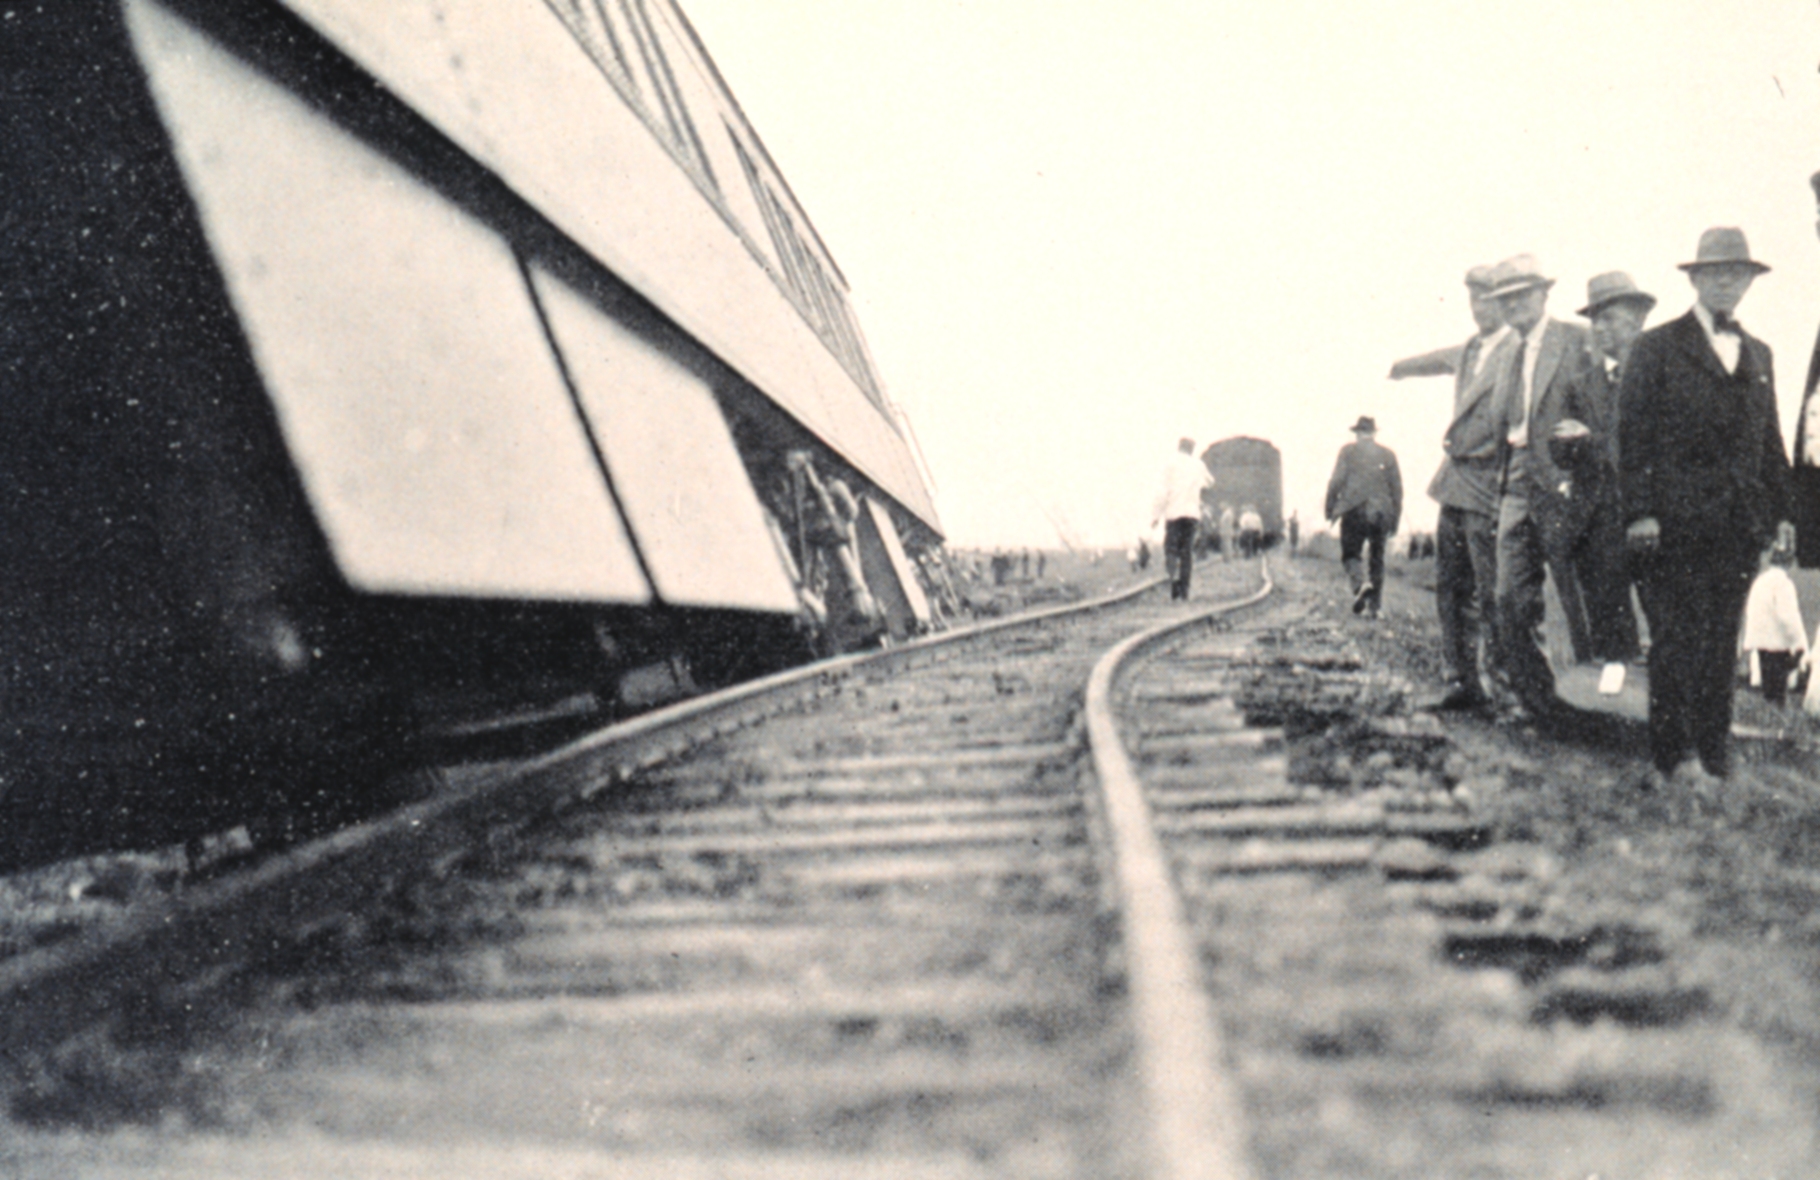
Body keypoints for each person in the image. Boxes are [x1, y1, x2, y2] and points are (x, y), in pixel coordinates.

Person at [1621, 227, 1793, 780]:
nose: (1726, 282)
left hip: (1739, 525)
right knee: (1676, 636)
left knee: (1722, 640)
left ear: (1747, 282)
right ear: (1694, 279)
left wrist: (1783, 513)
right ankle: (1675, 755)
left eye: (1736, 274)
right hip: (1672, 523)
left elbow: (1770, 444)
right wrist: (1641, 511)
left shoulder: (1760, 354)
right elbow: (1633, 436)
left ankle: (1714, 751)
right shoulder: (1656, 347)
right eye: (1715, 273)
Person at [1486, 254, 1595, 720]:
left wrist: (1582, 452)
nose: (1514, 305)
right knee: (1510, 596)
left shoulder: (1576, 340)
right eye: (1506, 298)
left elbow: (1603, 404)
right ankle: (1537, 700)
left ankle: (1594, 701)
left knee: (1577, 595)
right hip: (1515, 479)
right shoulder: (1507, 352)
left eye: (1522, 295)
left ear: (1544, 294)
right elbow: (1503, 422)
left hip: (1564, 475)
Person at [1400, 264, 1513, 710]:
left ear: (1504, 302)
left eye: (1486, 300)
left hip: (1490, 479)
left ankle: (1498, 685)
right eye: (1473, 301)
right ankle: (1460, 680)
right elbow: (1432, 360)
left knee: (1492, 589)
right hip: (1455, 479)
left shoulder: (1518, 350)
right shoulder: (1469, 349)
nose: (1478, 309)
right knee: (1450, 585)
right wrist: (1397, 368)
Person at [1549, 272, 1649, 693]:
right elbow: (1560, 450)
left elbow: (1652, 442)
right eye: (1597, 321)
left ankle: (1671, 711)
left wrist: (1590, 438)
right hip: (1598, 514)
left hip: (1651, 512)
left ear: (1637, 320)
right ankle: (1613, 702)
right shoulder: (1581, 385)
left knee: (1666, 612)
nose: (1603, 328)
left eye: (1612, 318)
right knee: (1609, 613)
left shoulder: (1657, 376)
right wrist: (1566, 443)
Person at [1324, 416, 1402, 617]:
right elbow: (1397, 491)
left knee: (1351, 554)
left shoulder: (1348, 451)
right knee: (1377, 559)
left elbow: (1336, 481)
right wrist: (1395, 520)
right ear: (1374, 434)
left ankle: (1360, 585)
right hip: (1381, 513)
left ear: (1357, 434)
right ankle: (1375, 609)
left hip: (1354, 509)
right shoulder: (1388, 455)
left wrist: (1330, 507)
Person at [1742, 542, 1805, 707]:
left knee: (1767, 685)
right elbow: (1788, 615)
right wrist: (1799, 642)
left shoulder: (1760, 581)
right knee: (1778, 688)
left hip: (1760, 640)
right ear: (1789, 563)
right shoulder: (1784, 584)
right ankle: (1776, 714)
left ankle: (1770, 712)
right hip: (1777, 642)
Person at [1152, 437, 1213, 600]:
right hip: (1192, 515)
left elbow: (1162, 493)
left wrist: (1155, 516)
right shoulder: (1198, 465)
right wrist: (1198, 487)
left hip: (1173, 514)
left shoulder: (1170, 463)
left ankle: (1173, 584)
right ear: (1192, 449)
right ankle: (1184, 590)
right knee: (1187, 552)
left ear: (1179, 447)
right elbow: (1210, 482)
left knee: (1171, 550)